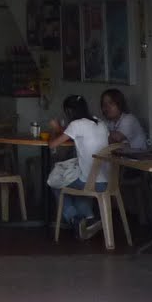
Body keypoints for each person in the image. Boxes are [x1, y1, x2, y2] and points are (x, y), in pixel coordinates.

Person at [46, 93, 110, 240]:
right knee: (75, 182)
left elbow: (52, 144)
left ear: (69, 111)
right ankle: (88, 219)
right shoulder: (100, 123)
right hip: (108, 181)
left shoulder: (76, 124)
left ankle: (75, 219)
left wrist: (55, 129)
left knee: (55, 182)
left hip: (90, 182)